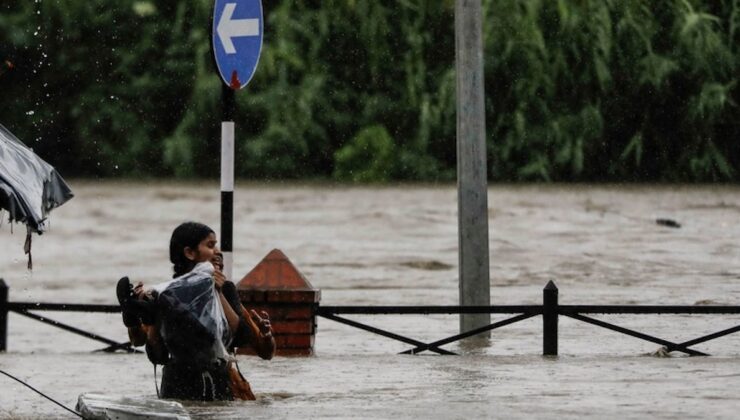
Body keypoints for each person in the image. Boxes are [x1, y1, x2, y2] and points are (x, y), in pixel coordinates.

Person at [116, 221, 275, 401]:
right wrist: (153, 319)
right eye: (210, 246)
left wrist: (218, 292)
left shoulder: (225, 290)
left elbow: (246, 338)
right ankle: (139, 311)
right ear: (189, 253)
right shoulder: (167, 295)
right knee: (160, 305)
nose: (217, 253)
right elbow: (157, 354)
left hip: (217, 383)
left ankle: (140, 311)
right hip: (180, 385)